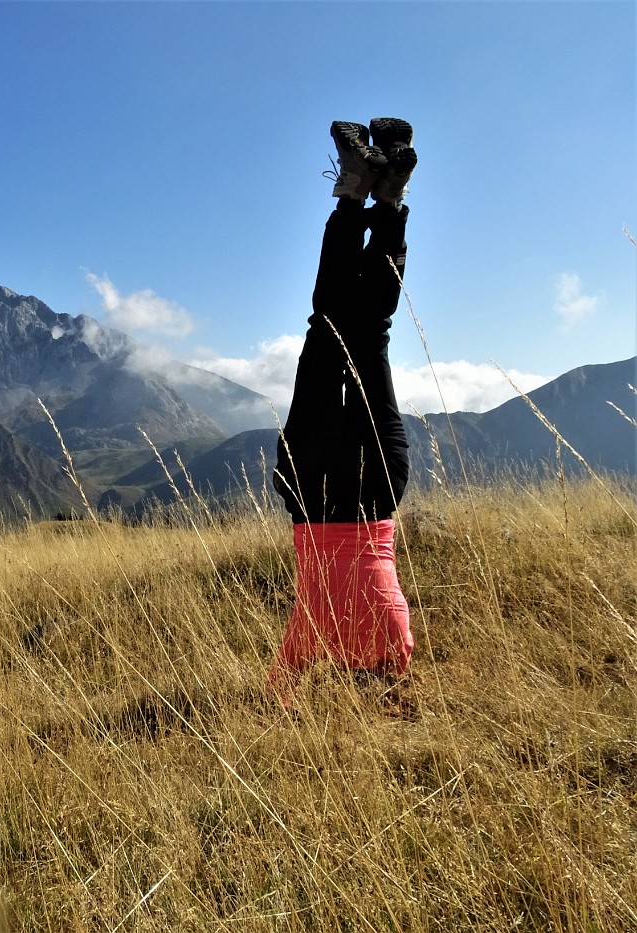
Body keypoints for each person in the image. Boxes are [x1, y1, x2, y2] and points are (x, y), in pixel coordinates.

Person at [267, 118, 417, 699]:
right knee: (329, 327)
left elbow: (392, 674)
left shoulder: (394, 649)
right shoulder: (308, 646)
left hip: (379, 490)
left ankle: (390, 198)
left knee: (372, 332)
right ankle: (356, 193)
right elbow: (278, 692)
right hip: (309, 490)